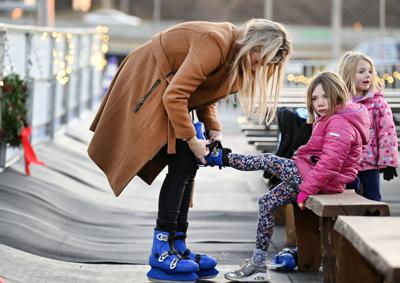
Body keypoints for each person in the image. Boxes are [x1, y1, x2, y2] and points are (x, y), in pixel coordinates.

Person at [87, 19, 292, 282]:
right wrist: (192, 140)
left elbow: (204, 92)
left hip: (170, 87)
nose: (258, 66)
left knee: (186, 163)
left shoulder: (235, 55)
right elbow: (176, 95)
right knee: (184, 162)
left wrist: (213, 129)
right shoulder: (214, 42)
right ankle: (161, 251)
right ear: (253, 44)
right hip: (149, 78)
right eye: (259, 59)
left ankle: (177, 246)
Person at [220, 71, 370, 282]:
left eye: (324, 96)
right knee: (267, 202)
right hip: (313, 175)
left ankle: (221, 158)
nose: (319, 102)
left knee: (269, 160)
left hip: (324, 181)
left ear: (337, 93)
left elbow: (329, 165)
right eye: (315, 98)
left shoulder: (340, 123)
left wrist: (305, 191)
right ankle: (258, 263)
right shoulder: (328, 119)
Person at [338, 51, 398, 201]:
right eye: (361, 71)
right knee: (346, 201)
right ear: (348, 74)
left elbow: (387, 133)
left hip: (369, 164)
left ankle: (373, 224)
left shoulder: (377, 103)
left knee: (372, 199)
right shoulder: (339, 104)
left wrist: (388, 161)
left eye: (370, 71)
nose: (368, 75)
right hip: (343, 164)